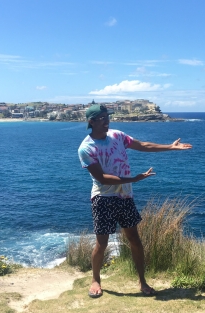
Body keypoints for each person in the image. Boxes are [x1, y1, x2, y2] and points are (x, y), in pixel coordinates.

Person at [77, 104, 192, 298]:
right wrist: (134, 179)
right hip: (103, 198)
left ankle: (142, 281)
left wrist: (170, 147)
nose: (107, 121)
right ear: (92, 121)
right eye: (102, 118)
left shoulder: (117, 136)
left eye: (107, 117)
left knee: (135, 240)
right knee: (102, 243)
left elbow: (142, 145)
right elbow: (103, 178)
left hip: (125, 197)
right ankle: (95, 279)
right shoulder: (86, 148)